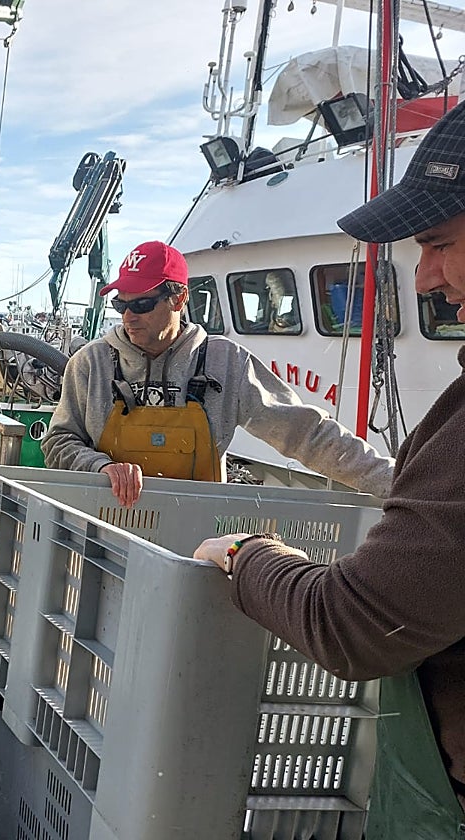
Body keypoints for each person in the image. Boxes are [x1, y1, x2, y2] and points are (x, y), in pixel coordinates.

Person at [194, 98, 465, 832]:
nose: (426, 277)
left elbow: (351, 623)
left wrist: (247, 553)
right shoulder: (94, 363)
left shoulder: (220, 358)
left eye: (438, 243)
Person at [40, 240, 393, 506]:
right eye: (121, 304)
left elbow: (306, 435)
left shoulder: (227, 363)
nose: (128, 316)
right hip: (105, 524)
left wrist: (396, 482)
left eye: (142, 304)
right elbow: (58, 442)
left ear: (179, 300)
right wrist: (100, 467)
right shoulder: (91, 363)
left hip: (196, 531)